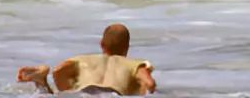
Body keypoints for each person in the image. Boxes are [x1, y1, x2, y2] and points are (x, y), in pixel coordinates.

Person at [16, 23, 156, 95]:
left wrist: (69, 90)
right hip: (112, 95)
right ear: (127, 47)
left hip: (83, 92)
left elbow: (58, 71)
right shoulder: (134, 64)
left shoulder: (82, 60)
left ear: (101, 44)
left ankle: (42, 83)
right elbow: (149, 83)